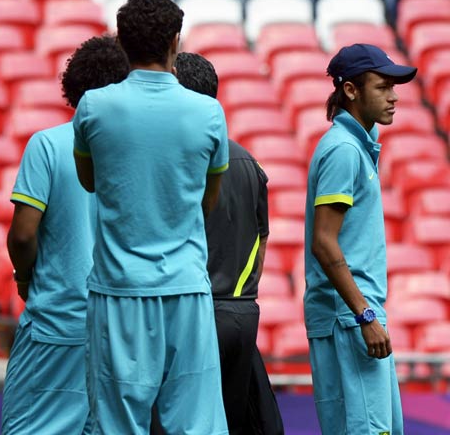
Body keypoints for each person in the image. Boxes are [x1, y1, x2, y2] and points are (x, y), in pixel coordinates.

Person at [73, 0, 229, 435]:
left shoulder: (94, 107)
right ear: (175, 42)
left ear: (122, 44)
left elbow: (91, 181)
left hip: (119, 288)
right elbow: (208, 199)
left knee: (117, 424)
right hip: (184, 286)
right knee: (195, 423)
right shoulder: (208, 112)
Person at [1, 35, 131, 435]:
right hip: (123, 327)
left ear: (73, 86)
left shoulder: (47, 145)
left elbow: (23, 235)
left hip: (58, 323)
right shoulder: (136, 149)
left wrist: (25, 279)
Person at [304, 43, 415, 435]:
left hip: (354, 317)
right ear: (351, 91)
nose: (394, 96)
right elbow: (324, 241)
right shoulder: (343, 151)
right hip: (350, 319)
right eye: (383, 86)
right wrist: (364, 315)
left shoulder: (354, 147)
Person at [172, 52, 285, 435]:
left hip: (196, 312)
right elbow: (263, 236)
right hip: (241, 313)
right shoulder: (249, 163)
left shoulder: (180, 159)